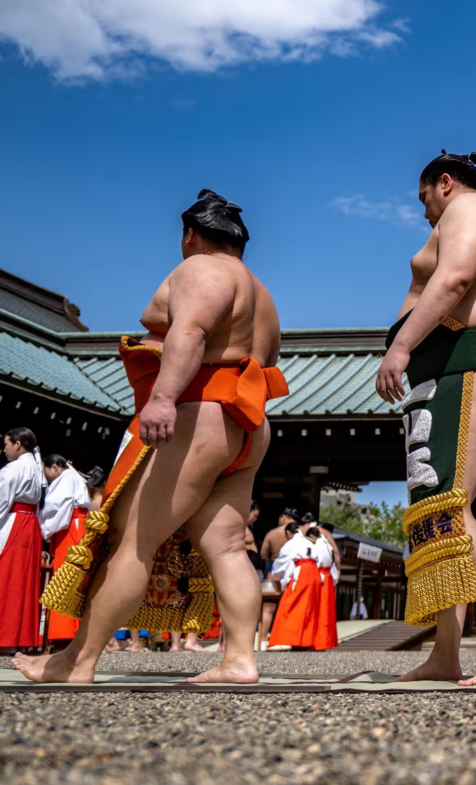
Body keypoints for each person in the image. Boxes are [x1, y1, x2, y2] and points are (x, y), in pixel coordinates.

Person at [20, 189, 288, 684]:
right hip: (248, 423)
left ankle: (75, 662)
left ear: (190, 235)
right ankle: (239, 660)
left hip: (200, 410)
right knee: (228, 547)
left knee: (135, 541)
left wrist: (163, 398)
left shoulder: (201, 270)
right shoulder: (262, 294)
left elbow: (189, 333)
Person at [375, 150, 476, 685]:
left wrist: (400, 347)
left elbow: (454, 280)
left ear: (444, 184)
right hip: (466, 368)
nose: (425, 213)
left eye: (424, 199)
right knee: (448, 511)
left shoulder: (469, 211)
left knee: (448, 505)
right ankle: (446, 654)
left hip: (469, 366)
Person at [39, 457, 95, 644]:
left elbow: (57, 509)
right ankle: (75, 632)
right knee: (77, 579)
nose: (45, 477)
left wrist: (44, 530)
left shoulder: (66, 478)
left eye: (45, 470)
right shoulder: (74, 477)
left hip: (71, 527)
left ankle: (64, 633)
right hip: (79, 525)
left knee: (64, 578)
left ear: (54, 467)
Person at [0, 428, 46, 652]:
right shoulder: (37, 468)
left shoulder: (13, 468)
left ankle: (5, 637)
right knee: (25, 583)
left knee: (6, 579)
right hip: (31, 525)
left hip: (13, 523)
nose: (4, 449)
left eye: (7, 444)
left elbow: (2, 502)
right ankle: (21, 639)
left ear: (18, 444)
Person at [268, 525, 338, 651]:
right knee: (312, 609)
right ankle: (308, 640)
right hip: (318, 574)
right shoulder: (322, 544)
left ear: (289, 532)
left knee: (291, 604)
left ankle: (287, 639)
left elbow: (284, 562)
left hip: (302, 571)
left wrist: (284, 580)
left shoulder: (293, 543)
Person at [258, 506, 298, 649]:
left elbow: (263, 554)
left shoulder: (273, 533)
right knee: (292, 607)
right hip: (295, 570)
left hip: (275, 568)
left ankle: (262, 641)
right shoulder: (301, 533)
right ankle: (286, 639)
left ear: (283, 517)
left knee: (268, 608)